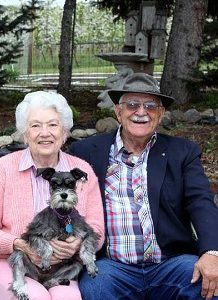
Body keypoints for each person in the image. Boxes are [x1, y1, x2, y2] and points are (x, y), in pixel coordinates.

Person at [69, 73, 218, 300]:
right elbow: (68, 205)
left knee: (209, 282)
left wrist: (212, 252)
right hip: (112, 266)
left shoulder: (182, 152)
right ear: (118, 112)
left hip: (171, 263)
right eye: (132, 105)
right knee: (94, 288)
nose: (141, 112)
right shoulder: (86, 152)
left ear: (161, 113)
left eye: (150, 106)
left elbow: (201, 201)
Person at [0, 91, 105, 300]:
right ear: (25, 134)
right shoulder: (4, 168)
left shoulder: (81, 170)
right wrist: (21, 244)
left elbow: (97, 229)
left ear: (65, 132)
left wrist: (75, 246)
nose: (45, 133)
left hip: (61, 267)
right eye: (35, 126)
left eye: (52, 125)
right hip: (9, 262)